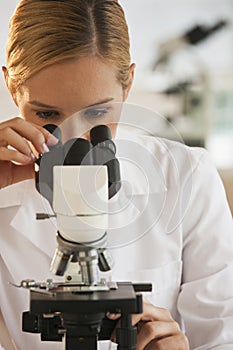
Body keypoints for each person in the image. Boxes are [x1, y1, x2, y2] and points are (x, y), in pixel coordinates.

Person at [0, 1, 233, 349]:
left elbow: (222, 335)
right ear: (11, 86)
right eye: (46, 113)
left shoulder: (185, 177)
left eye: (97, 112)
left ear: (127, 87)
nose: (75, 138)